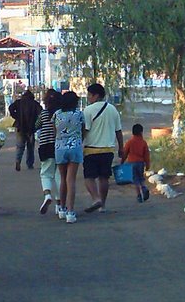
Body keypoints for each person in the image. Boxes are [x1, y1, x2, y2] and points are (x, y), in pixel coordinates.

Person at [81, 82, 123, 214]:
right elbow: (118, 131)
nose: (88, 97)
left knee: (89, 177)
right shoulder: (112, 109)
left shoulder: (87, 111)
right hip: (108, 149)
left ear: (96, 95)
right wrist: (121, 147)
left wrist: (79, 145)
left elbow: (85, 131)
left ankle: (95, 198)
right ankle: (102, 205)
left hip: (91, 149)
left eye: (89, 95)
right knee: (104, 178)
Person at [53, 90, 84, 223]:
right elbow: (84, 129)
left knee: (62, 178)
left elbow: (55, 131)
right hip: (75, 146)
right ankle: (71, 212)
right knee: (71, 180)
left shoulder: (57, 114)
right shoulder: (79, 114)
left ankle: (62, 208)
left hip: (60, 147)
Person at [34, 88, 61, 214]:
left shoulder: (44, 114)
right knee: (58, 175)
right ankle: (59, 204)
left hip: (45, 146)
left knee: (45, 173)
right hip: (58, 146)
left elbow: (36, 125)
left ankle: (47, 195)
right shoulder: (60, 114)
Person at [8, 89, 42, 171]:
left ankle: (18, 160)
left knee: (20, 146)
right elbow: (41, 113)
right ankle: (30, 164)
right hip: (31, 128)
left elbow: (11, 108)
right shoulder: (35, 104)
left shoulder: (19, 102)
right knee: (30, 147)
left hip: (20, 127)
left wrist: (16, 116)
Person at [121, 123, 151, 202]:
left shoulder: (130, 142)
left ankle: (139, 195)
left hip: (131, 163)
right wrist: (147, 165)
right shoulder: (143, 142)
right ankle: (144, 188)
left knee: (135, 180)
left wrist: (122, 162)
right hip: (140, 163)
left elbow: (125, 153)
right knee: (141, 178)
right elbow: (146, 155)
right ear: (141, 132)